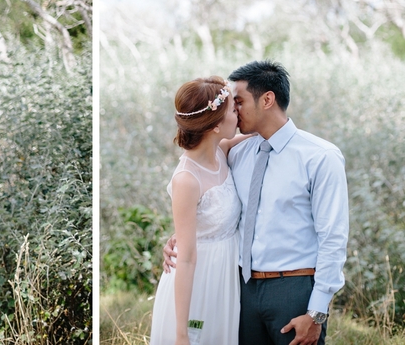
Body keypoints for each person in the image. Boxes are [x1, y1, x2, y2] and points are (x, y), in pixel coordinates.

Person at [162, 60, 349, 345]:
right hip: (238, 290)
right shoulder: (236, 153)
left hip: (293, 289)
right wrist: (182, 236)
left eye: (238, 101)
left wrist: (318, 311)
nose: (234, 110)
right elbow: (208, 204)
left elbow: (333, 237)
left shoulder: (320, 157)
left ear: (267, 99)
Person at [149, 76, 246, 345]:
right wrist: (181, 333)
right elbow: (188, 258)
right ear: (215, 125)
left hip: (224, 277)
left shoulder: (221, 151)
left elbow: (265, 127)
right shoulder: (186, 180)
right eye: (232, 111)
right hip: (198, 282)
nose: (238, 113)